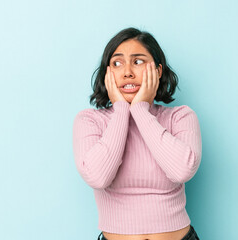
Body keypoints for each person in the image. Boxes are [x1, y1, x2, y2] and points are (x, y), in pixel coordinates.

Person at [72, 27, 202, 240]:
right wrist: (122, 110)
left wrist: (140, 110)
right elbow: (98, 177)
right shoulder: (90, 121)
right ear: (107, 74)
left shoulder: (181, 117)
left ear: (158, 71)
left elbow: (181, 171)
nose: (127, 72)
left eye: (138, 61)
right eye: (117, 63)